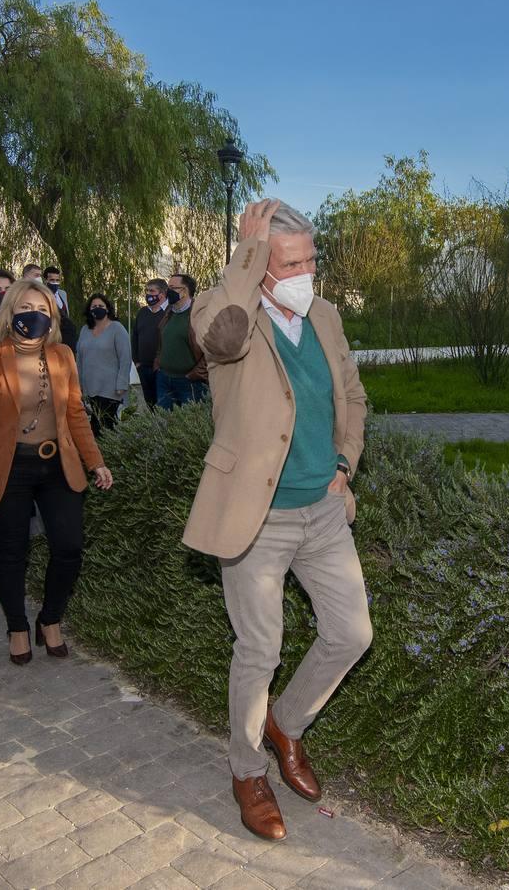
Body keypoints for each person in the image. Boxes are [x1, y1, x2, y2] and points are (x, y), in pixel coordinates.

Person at [185, 199, 370, 842]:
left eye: (311, 258)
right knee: (259, 648)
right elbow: (223, 343)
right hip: (255, 517)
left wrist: (344, 465)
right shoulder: (219, 306)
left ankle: (285, 724)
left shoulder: (324, 315)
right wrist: (243, 254)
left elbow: (350, 393)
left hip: (321, 508)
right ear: (262, 264)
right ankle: (247, 769)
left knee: (351, 633)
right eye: (290, 261)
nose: (306, 271)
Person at [0, 280, 113, 665]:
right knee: (11, 552)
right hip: (9, 466)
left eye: (43, 308)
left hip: (57, 465)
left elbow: (76, 413)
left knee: (68, 547)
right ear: (11, 311)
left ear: (52, 316)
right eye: (26, 307)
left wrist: (95, 460)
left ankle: (50, 619)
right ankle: (17, 625)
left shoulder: (63, 355)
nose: (35, 315)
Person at [74, 292, 131, 435]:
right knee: (95, 427)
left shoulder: (117, 328)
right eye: (94, 306)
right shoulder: (84, 330)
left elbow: (125, 358)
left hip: (111, 390)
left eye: (101, 305)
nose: (97, 308)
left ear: (107, 308)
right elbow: (79, 358)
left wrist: (122, 384)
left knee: (106, 428)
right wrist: (78, 385)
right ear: (89, 310)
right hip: (90, 389)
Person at [155, 272, 208, 409]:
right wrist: (158, 365)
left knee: (188, 426)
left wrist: (195, 374)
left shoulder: (200, 314)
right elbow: (162, 342)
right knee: (163, 425)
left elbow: (211, 350)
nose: (168, 291)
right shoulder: (169, 312)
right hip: (164, 379)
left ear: (184, 292)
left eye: (172, 287)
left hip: (189, 383)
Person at [130, 278, 168, 409]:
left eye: (152, 291)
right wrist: (137, 361)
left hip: (161, 368)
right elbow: (134, 336)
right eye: (146, 291)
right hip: (143, 367)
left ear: (162, 294)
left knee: (162, 404)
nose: (148, 294)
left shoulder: (169, 312)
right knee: (150, 403)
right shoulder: (142, 312)